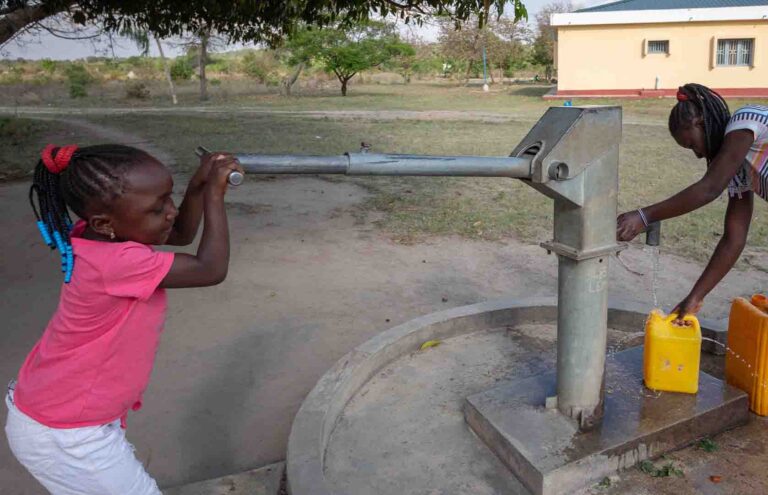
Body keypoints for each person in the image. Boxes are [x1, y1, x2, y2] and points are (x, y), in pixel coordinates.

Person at [5, 144, 244, 494]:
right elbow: (210, 268)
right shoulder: (117, 262)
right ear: (106, 223)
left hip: (57, 415)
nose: (171, 212)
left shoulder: (100, 235)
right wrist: (215, 197)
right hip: (66, 433)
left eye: (169, 197)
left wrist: (197, 186)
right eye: (156, 208)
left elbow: (179, 234)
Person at [617, 83, 767, 321]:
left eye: (691, 144)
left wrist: (644, 216)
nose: (697, 154)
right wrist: (695, 297)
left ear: (699, 122)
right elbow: (734, 238)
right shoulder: (737, 170)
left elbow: (709, 188)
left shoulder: (746, 121)